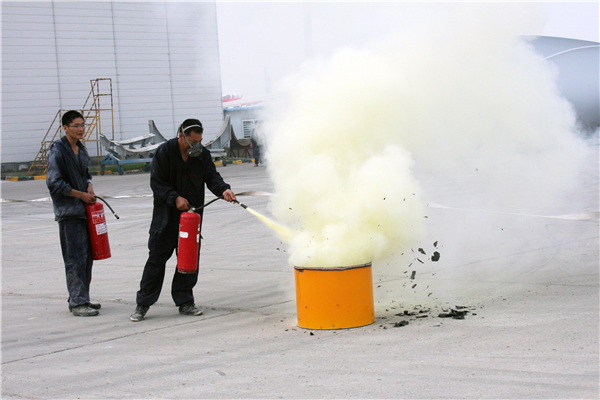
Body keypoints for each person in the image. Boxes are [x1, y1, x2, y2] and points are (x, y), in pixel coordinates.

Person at [130, 118, 237, 322]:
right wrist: (174, 197)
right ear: (181, 137)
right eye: (194, 141)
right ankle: (142, 304)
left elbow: (212, 177)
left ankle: (185, 301)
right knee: (156, 260)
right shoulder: (164, 152)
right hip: (165, 218)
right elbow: (157, 183)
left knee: (188, 260)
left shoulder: (202, 155)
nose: (198, 146)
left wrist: (224, 190)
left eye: (200, 141)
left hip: (191, 219)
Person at [46, 110, 101, 317]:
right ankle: (78, 302)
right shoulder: (58, 152)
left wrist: (89, 186)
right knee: (75, 257)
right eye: (76, 126)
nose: (81, 129)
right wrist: (80, 195)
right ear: (65, 128)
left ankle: (82, 297)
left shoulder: (81, 149)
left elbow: (85, 174)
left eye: (82, 125)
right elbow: (55, 184)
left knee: (87, 257)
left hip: (84, 210)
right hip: (69, 212)